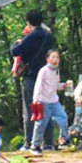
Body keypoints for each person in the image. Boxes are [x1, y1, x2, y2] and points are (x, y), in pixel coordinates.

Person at [9, 10, 57, 152]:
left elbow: (15, 51)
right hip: (47, 77)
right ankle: (48, 143)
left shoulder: (31, 37)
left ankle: (29, 142)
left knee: (31, 109)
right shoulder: (48, 36)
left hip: (32, 76)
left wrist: (15, 43)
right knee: (46, 109)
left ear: (28, 22)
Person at [32, 48, 74, 152]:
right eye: (53, 57)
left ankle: (64, 141)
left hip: (54, 101)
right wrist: (35, 99)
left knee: (63, 117)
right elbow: (38, 85)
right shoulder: (43, 71)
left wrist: (64, 86)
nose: (55, 59)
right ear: (48, 59)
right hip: (43, 100)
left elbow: (55, 86)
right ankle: (35, 145)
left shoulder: (56, 71)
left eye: (57, 57)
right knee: (41, 123)